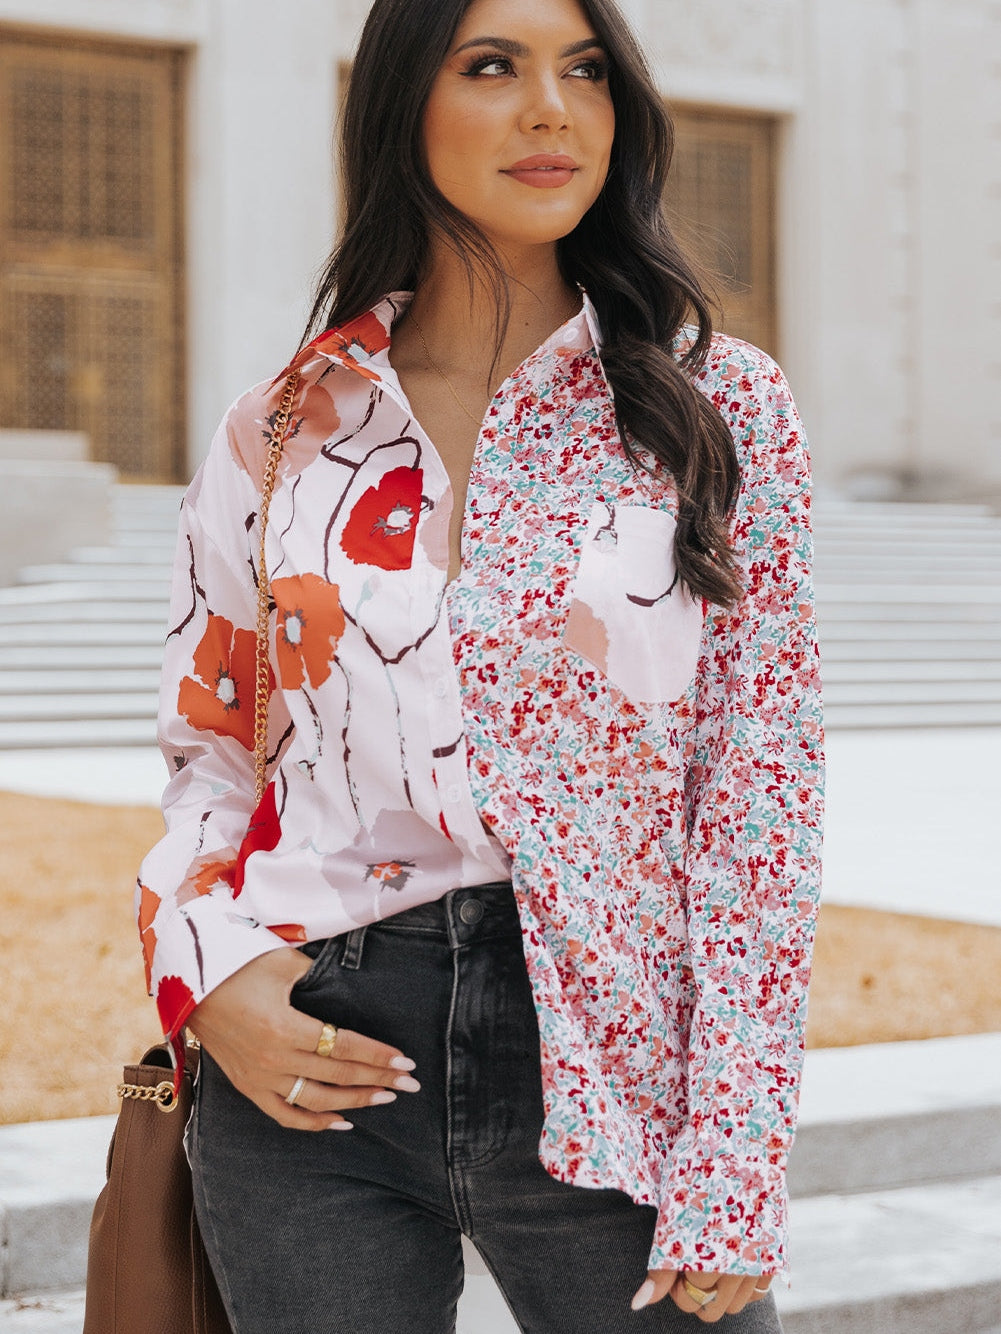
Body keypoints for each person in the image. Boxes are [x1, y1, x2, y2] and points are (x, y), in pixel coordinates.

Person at [136, 0, 824, 1328]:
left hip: (612, 1054)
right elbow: (210, 756)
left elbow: (755, 801)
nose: (551, 107)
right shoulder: (284, 429)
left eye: (583, 71)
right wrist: (204, 971)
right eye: (492, 67)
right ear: (405, 101)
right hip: (317, 1049)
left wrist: (734, 1158)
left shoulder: (715, 410)